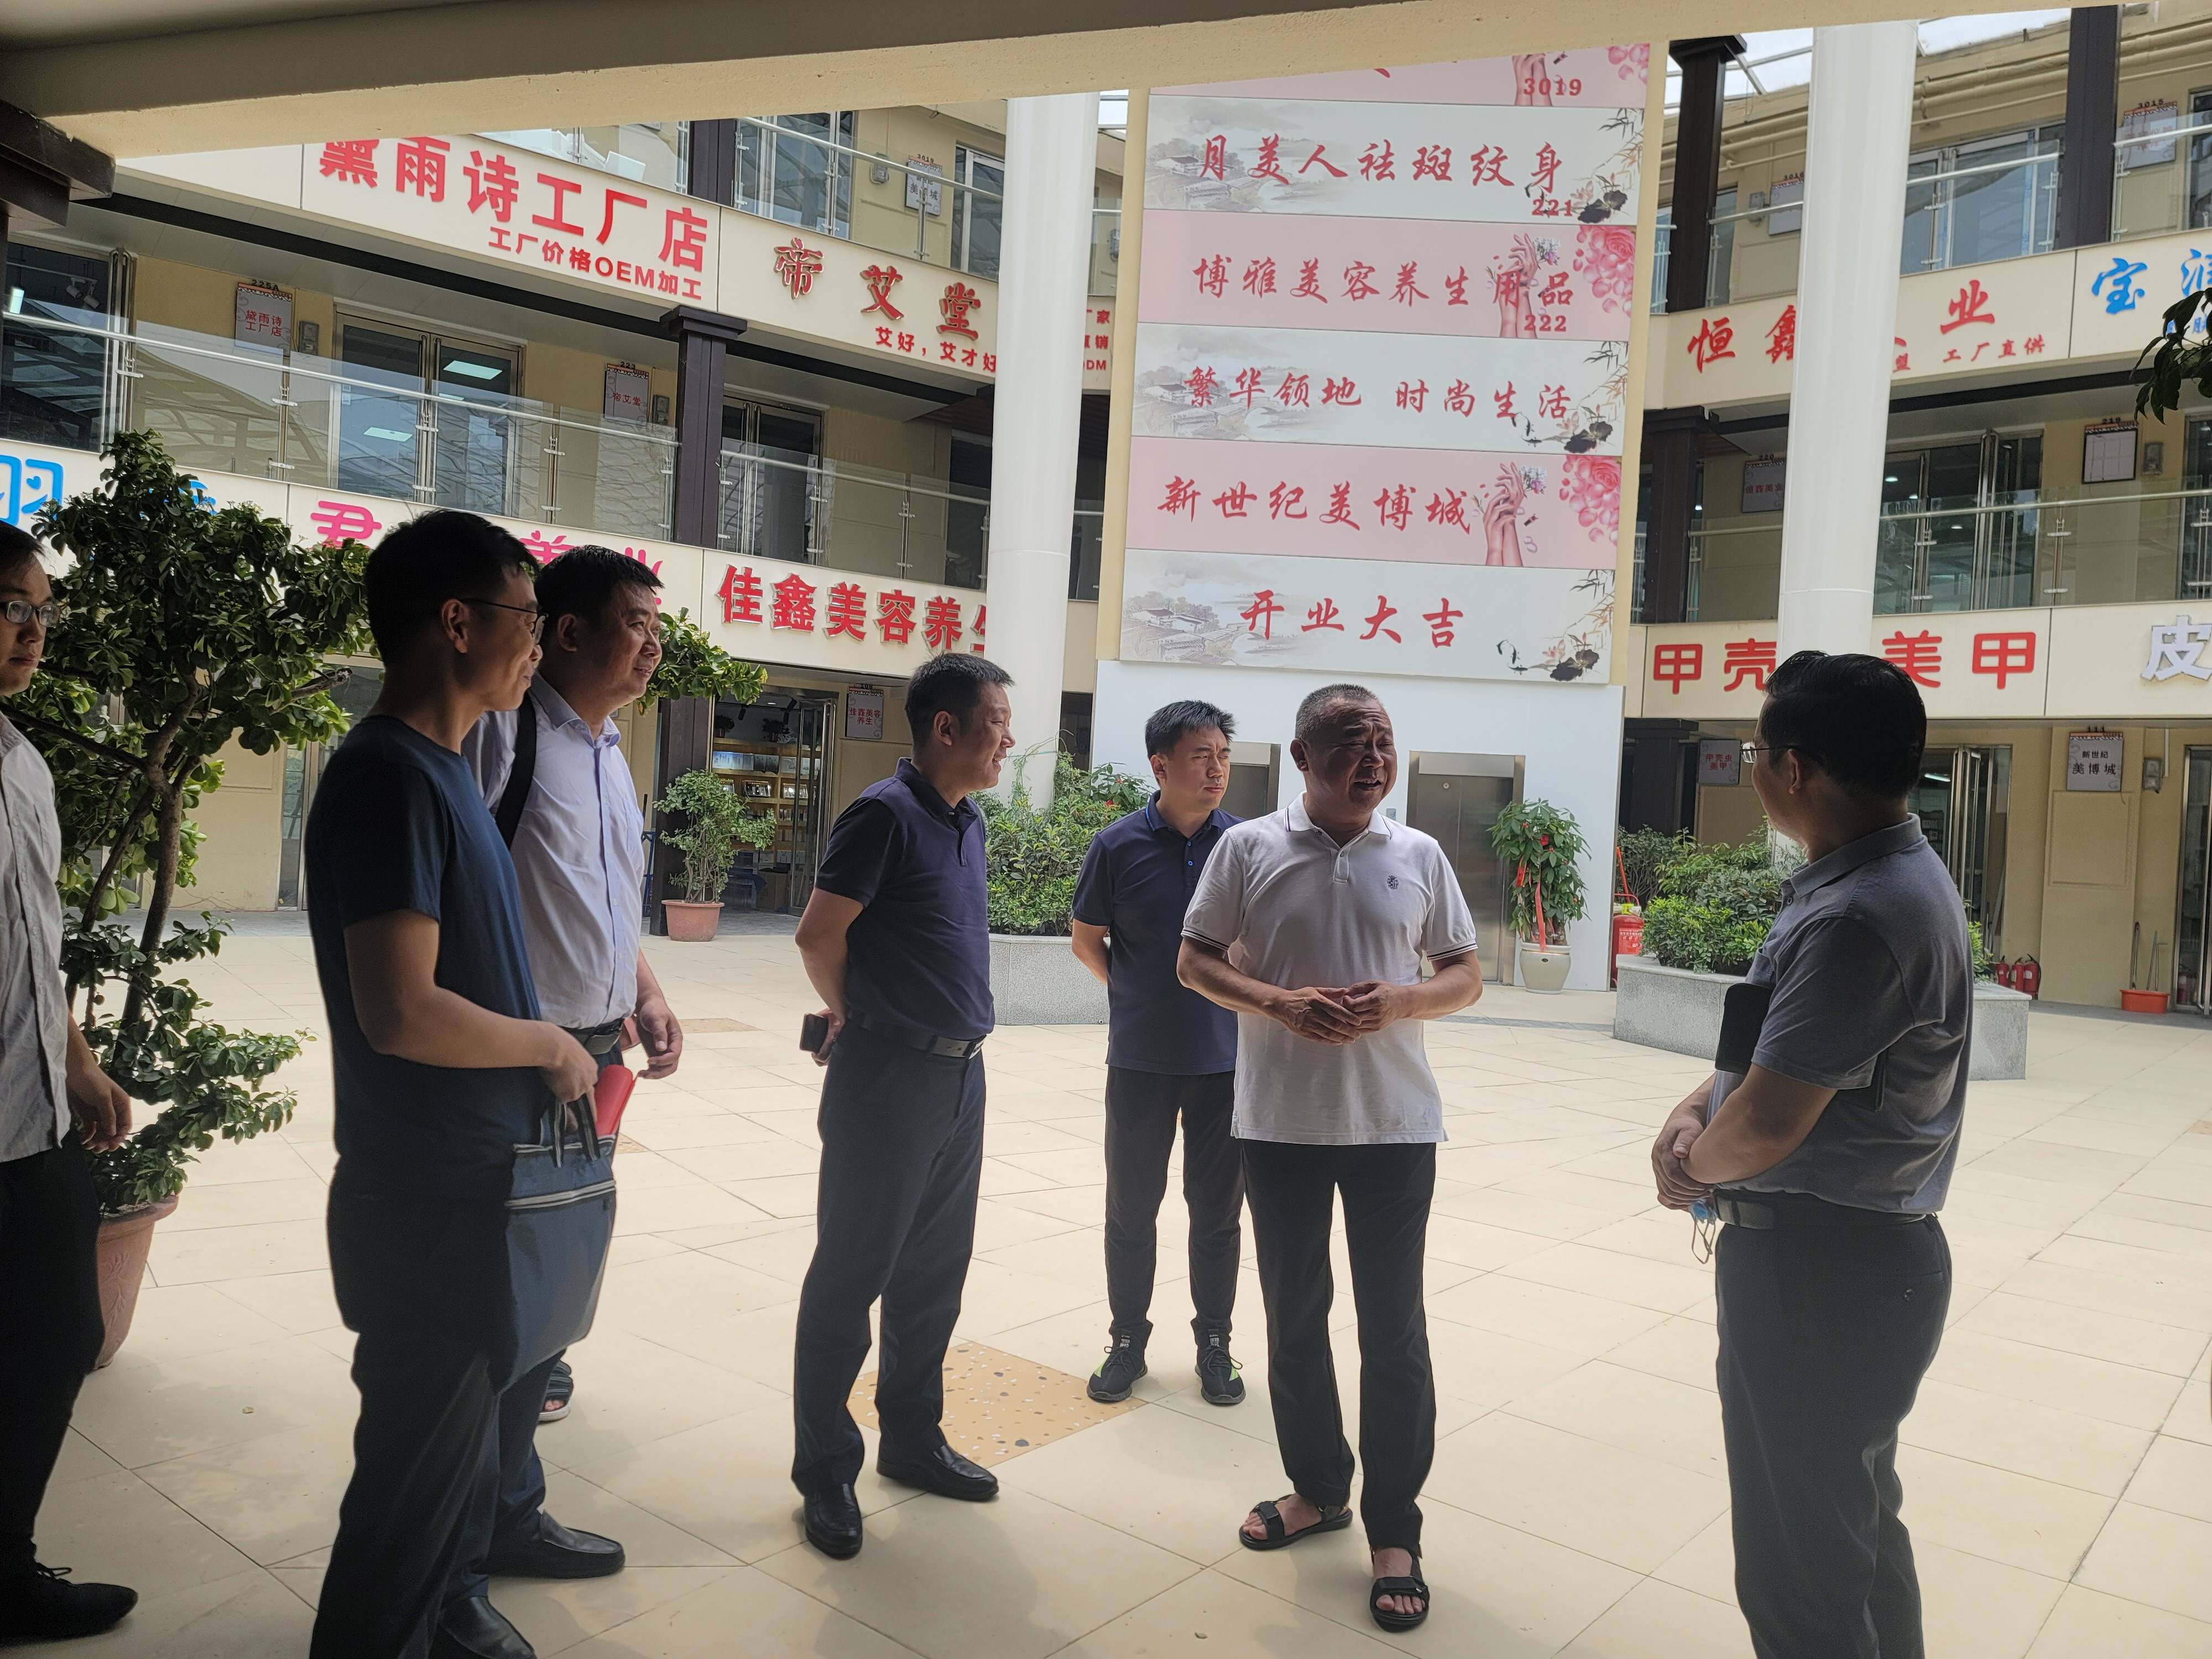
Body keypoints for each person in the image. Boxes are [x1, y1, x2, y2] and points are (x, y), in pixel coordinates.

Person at [305, 512, 600, 1659]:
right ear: (457, 622)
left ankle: (439, 1622)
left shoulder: (444, 773)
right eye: (528, 617)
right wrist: (548, 1046)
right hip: (428, 1200)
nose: (538, 642)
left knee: (437, 1486)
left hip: (467, 1188)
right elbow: (401, 1009)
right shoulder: (391, 778)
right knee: (405, 1499)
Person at [1650, 650, 1968, 1659]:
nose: (1753, 767)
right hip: (1855, 1265)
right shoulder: (1875, 881)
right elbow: (1778, 1052)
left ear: (1795, 769)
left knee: (1800, 1572)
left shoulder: (1861, 913)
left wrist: (1690, 1167)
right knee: (1851, 1532)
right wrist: (1697, 1104)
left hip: (1820, 1273)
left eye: (1756, 751)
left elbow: (1770, 1122)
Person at [1179, 684, 1481, 1635]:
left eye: (1383, 741)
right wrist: (1278, 1002)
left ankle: (1397, 1531)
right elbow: (1193, 960)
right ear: (1304, 759)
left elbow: (1465, 974)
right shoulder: (1248, 848)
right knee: (1295, 1318)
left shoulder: (1419, 853)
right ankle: (1318, 1489)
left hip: (1394, 1125)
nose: (1373, 759)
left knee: (1394, 1330)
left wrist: (1403, 1000)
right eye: (1351, 743)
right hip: (1280, 1123)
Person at [448, 547, 686, 1631]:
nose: (652, 648)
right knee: (492, 1311)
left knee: (547, 1295)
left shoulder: (608, 753)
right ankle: (462, 1552)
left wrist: (645, 989)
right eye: (636, 624)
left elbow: (602, 900)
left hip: (592, 1060)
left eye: (657, 629)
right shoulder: (506, 736)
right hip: (517, 1063)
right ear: (570, 631)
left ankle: (510, 1509)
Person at [788, 654, 1014, 1560]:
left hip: (960, 1078)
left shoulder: (967, 821)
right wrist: (858, 1013)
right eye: (995, 723)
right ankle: (825, 1471)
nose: (1007, 740)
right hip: (887, 1077)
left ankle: (912, 1438)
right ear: (945, 728)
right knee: (851, 1277)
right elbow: (818, 935)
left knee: (933, 1273)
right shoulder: (883, 814)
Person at [0, 524, 139, 1642]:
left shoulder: (24, 765)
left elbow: (34, 945)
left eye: (43, 612)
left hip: (31, 1124)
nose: (32, 632)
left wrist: (79, 1062)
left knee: (57, 1340)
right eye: (11, 607)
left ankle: (4, 1567)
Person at [1070, 700, 1245, 1407]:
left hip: (1228, 1062)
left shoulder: (1247, 846)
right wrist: (1133, 993)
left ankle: (1215, 1344)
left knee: (1218, 1214)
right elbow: (1087, 938)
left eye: (1223, 756)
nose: (1216, 769)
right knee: (1130, 1209)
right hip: (1140, 1060)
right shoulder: (1116, 846)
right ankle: (1127, 1341)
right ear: (1160, 765)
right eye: (1201, 756)